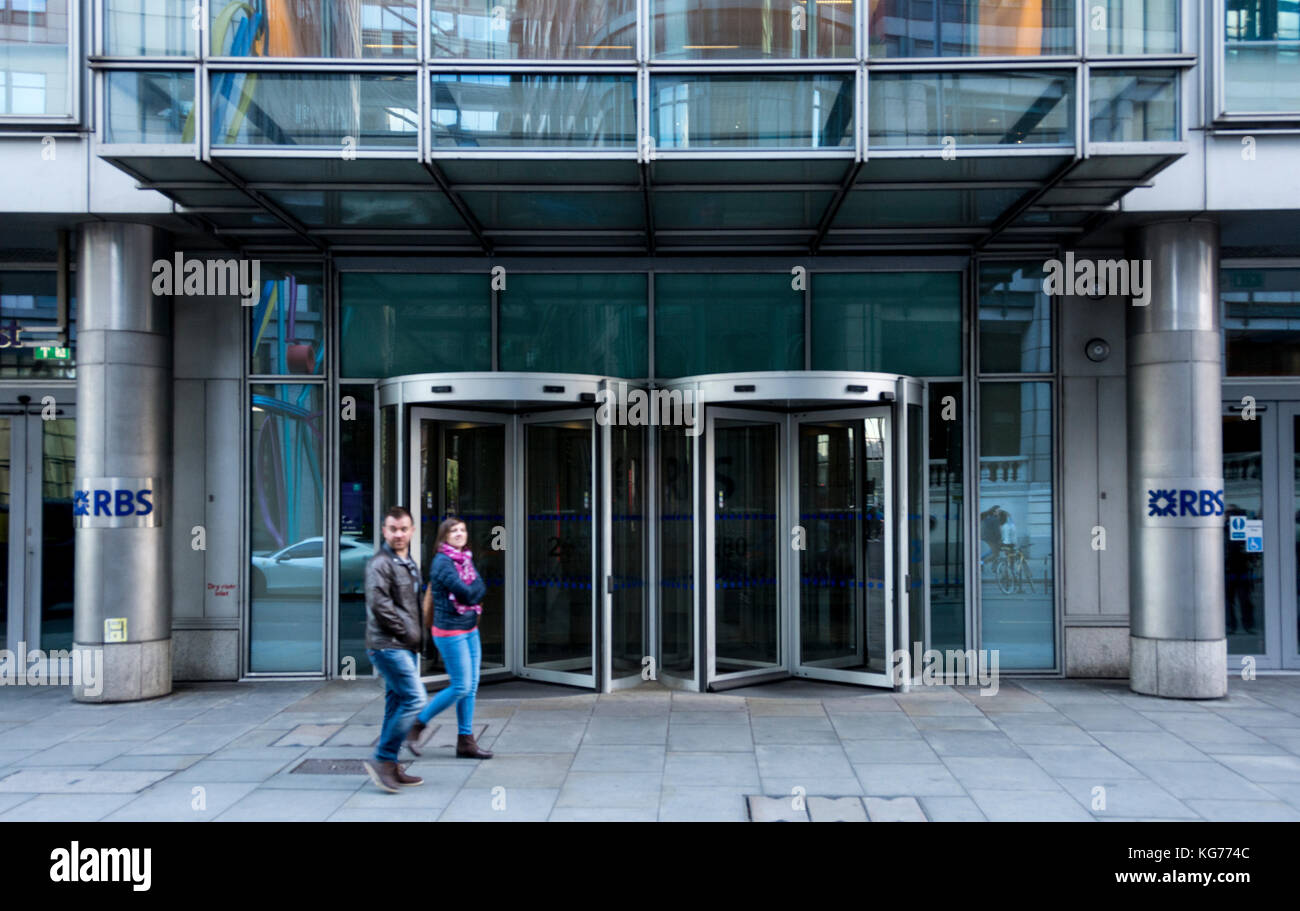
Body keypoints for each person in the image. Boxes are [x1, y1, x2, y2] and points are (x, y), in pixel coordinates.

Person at [408, 516, 493, 760]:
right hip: (449, 631)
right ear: (444, 536)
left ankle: (465, 742)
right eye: (453, 530)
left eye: (462, 530)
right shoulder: (442, 563)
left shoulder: (465, 558)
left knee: (471, 687)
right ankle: (417, 723)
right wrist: (475, 592)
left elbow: (481, 587)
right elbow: (468, 594)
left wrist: (475, 592)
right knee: (461, 685)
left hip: (469, 629)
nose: (459, 533)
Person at [361, 506, 426, 793]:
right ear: (384, 531)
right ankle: (383, 760)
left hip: (404, 645)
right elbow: (381, 607)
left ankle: (392, 763)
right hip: (388, 645)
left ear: (411, 531)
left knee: (396, 704)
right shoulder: (380, 564)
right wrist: (411, 632)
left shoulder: (407, 561)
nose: (399, 534)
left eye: (404, 529)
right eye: (393, 529)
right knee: (415, 699)